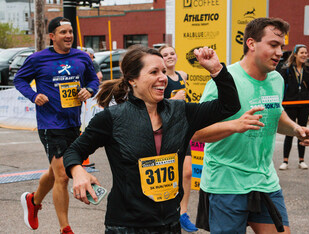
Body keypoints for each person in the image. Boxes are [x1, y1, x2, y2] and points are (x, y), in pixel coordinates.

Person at [62, 44, 241, 233]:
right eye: (154, 72)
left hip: (170, 222)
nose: (163, 78)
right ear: (132, 80)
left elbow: (229, 106)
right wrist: (77, 171)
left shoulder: (181, 112)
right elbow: (74, 151)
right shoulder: (112, 118)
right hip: (126, 225)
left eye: (163, 71)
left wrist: (216, 70)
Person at [192, 17, 309, 233]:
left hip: (264, 180)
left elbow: (275, 115)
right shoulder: (224, 80)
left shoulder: (276, 79)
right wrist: (235, 125)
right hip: (226, 183)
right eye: (273, 45)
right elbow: (197, 132)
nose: (280, 53)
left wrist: (297, 130)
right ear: (251, 44)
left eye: (282, 47)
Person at [14, 17, 99, 234]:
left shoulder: (81, 57)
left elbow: (93, 80)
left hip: (73, 122)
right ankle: (65, 229)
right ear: (52, 36)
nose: (69, 36)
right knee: (62, 174)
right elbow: (19, 80)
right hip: (50, 124)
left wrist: (89, 90)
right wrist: (34, 96)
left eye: (70, 31)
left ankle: (33, 201)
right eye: (63, 32)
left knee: (55, 171)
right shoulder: (37, 59)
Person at [158, 44, 198, 232]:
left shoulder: (183, 75)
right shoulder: (161, 79)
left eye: (172, 53)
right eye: (165, 55)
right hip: (165, 131)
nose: (169, 56)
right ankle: (164, 213)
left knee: (187, 172)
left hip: (182, 128)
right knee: (167, 175)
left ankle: (183, 213)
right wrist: (174, 100)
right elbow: (155, 104)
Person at [279, 44, 309, 170]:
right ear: (295, 54)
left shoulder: (308, 70)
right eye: (302, 53)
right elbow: (280, 87)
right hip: (290, 105)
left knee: (303, 132)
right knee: (290, 131)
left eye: (306, 53)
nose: (304, 55)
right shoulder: (286, 69)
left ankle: (301, 160)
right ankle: (285, 161)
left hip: (304, 105)